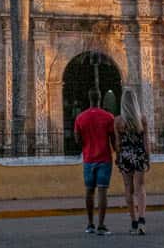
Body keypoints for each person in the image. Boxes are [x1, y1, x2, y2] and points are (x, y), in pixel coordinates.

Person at [74, 87, 116, 236]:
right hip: (104, 158)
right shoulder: (108, 117)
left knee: (89, 191)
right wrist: (117, 153)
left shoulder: (80, 118)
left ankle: (90, 224)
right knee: (102, 192)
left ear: (89, 98)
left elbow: (77, 139)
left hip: (88, 159)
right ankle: (101, 225)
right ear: (100, 99)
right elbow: (113, 139)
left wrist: (85, 145)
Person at [115, 88, 150, 235]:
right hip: (139, 154)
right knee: (140, 188)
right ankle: (142, 220)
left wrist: (119, 158)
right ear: (135, 102)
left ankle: (134, 222)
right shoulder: (142, 119)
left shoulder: (118, 121)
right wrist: (148, 158)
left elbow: (118, 144)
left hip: (125, 155)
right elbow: (146, 141)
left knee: (128, 188)